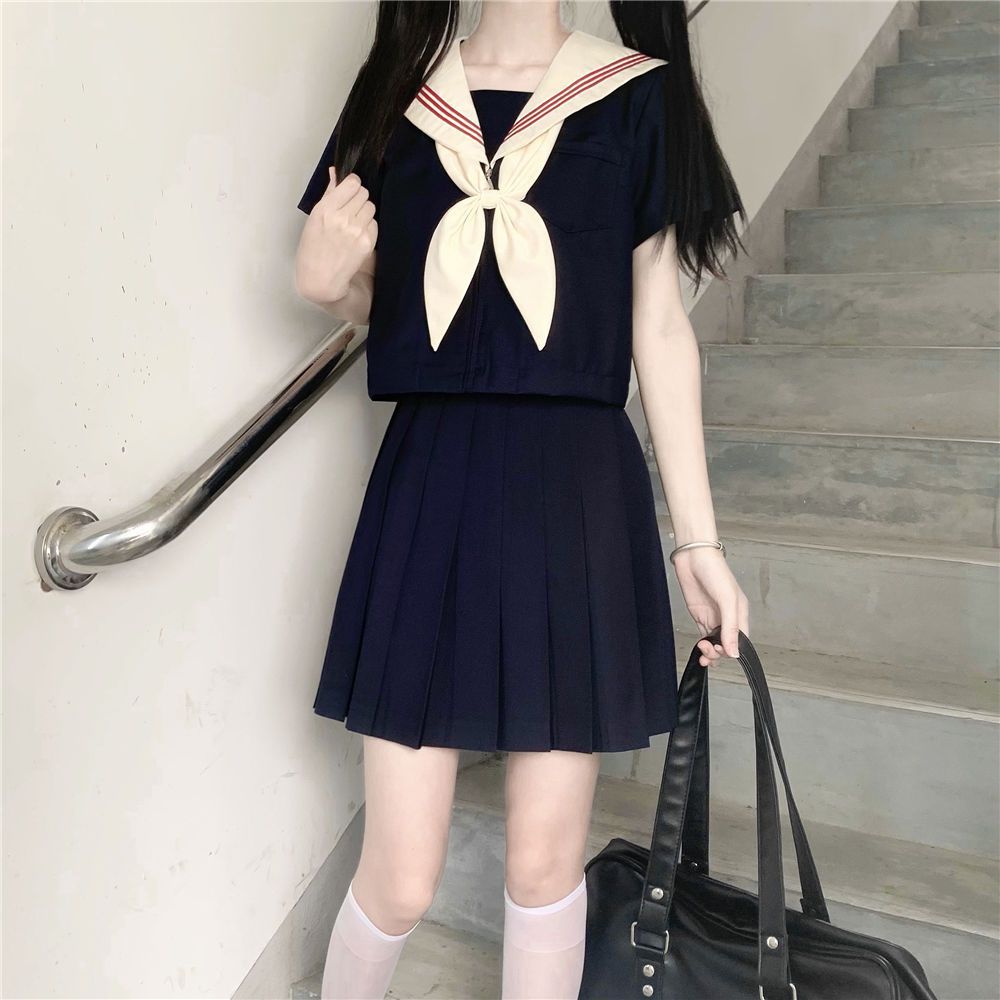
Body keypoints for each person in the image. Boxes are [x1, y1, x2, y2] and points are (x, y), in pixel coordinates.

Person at [293, 1, 749, 997]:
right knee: (401, 876)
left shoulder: (637, 97)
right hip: (430, 482)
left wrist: (698, 542)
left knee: (545, 866)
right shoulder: (396, 96)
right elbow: (399, 297)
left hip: (577, 491)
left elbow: (659, 326)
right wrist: (332, 287)